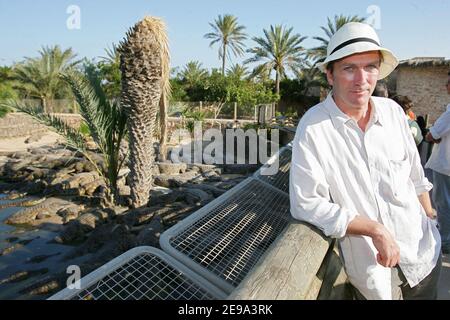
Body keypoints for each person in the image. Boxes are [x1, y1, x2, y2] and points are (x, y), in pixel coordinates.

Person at [289, 22, 441, 300]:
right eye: (349, 68)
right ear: (330, 74)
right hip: (376, 275)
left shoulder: (393, 113)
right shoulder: (314, 128)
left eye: (370, 67)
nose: (362, 79)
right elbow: (305, 203)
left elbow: (416, 177)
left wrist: (430, 217)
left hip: (424, 255)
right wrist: (374, 229)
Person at [425, 71, 450, 254]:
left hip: (446, 166)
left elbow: (431, 135)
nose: (445, 86)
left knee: (443, 204)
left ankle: (446, 242)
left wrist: (436, 136)